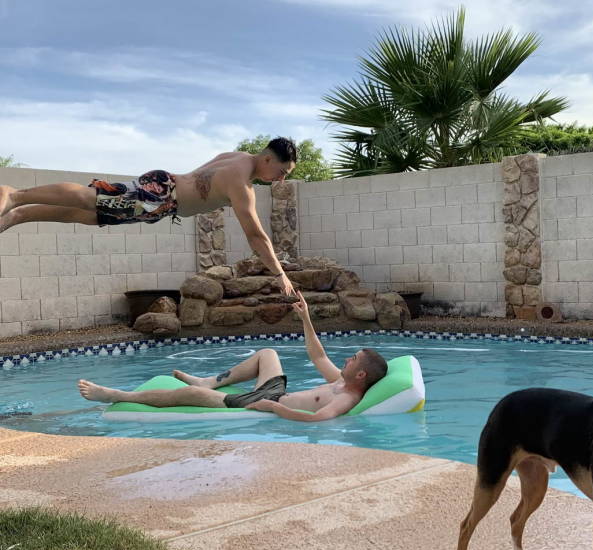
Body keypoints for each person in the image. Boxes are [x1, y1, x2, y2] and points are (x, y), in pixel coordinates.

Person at [0, 137, 297, 296]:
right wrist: (279, 274)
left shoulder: (239, 157)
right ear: (268, 158)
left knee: (89, 215)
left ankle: (20, 215)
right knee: (88, 198)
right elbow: (256, 235)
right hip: (160, 197)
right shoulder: (242, 186)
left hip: (162, 193)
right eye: (281, 172)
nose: (280, 179)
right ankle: (15, 195)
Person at [77, 292, 388, 421]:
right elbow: (318, 356)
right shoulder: (338, 381)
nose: (347, 360)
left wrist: (272, 409)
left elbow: (320, 419)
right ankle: (208, 380)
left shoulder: (347, 398)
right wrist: (305, 317)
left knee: (189, 394)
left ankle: (115, 393)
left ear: (361, 374)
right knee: (267, 353)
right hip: (276, 393)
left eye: (353, 359)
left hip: (268, 405)